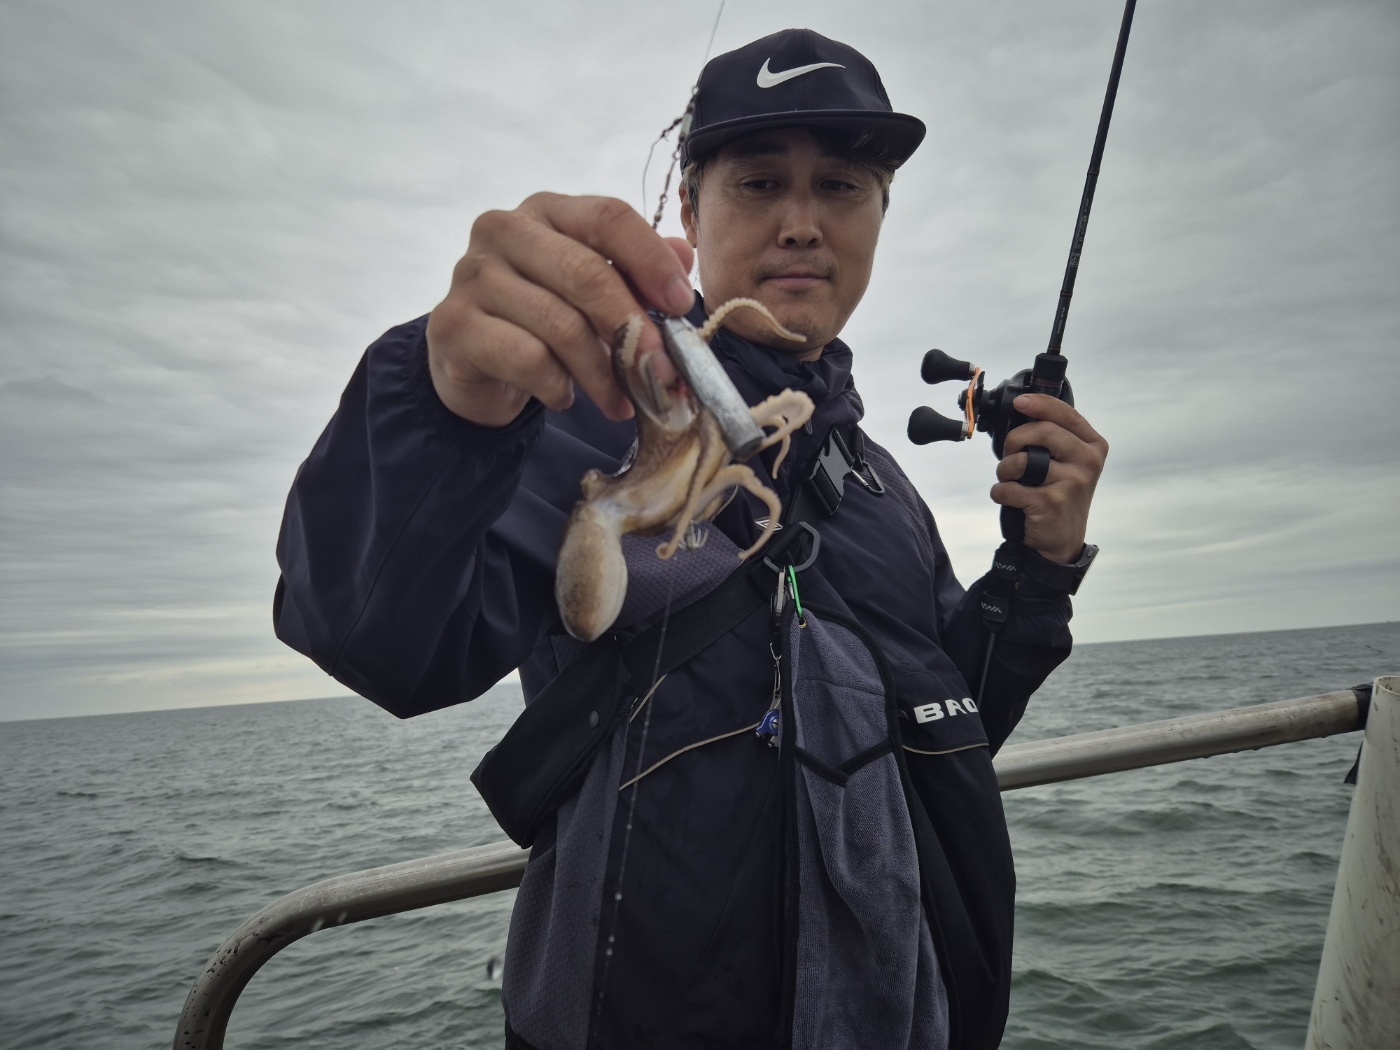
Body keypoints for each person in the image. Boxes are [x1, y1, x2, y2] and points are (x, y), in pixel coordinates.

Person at [275, 28, 1107, 1050]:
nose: (800, 223)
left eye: (840, 186)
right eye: (757, 182)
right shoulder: (581, 418)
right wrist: (444, 401)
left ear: (880, 215)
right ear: (688, 211)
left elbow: (944, 735)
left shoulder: (879, 487)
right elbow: (380, 645)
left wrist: (1037, 571)